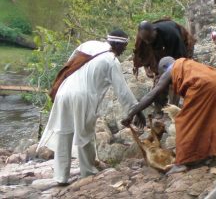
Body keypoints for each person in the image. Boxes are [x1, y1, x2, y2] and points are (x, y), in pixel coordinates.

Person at [37, 30, 146, 185]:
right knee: (84, 135)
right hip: (83, 96)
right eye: (124, 46)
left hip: (64, 91)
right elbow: (122, 91)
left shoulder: (89, 45)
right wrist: (136, 110)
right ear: (117, 44)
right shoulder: (111, 61)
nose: (124, 50)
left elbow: (70, 65)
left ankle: (61, 177)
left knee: (64, 133)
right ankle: (87, 172)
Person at [122, 57, 216, 174]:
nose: (163, 78)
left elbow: (153, 94)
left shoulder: (171, 69)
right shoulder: (190, 64)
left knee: (185, 122)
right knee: (214, 118)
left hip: (205, 86)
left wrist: (132, 113)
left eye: (161, 74)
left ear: (164, 67)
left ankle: (182, 162)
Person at [133, 19, 196, 112]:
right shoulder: (142, 38)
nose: (147, 42)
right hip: (161, 53)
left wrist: (169, 76)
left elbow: (181, 61)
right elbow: (141, 54)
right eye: (145, 40)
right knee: (158, 81)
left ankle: (173, 108)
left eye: (149, 38)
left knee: (176, 80)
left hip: (180, 48)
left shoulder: (172, 35)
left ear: (155, 31)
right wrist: (147, 68)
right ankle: (159, 109)